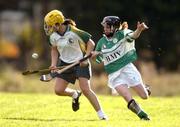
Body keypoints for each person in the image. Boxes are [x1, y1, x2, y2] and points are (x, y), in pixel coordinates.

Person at [43, 10, 107, 120]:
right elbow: (54, 49)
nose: (48, 28)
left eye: (50, 25)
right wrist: (53, 64)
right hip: (64, 63)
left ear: (58, 24)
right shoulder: (53, 36)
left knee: (86, 89)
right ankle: (75, 94)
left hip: (80, 63)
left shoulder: (74, 31)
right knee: (58, 90)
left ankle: (101, 115)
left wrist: (85, 58)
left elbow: (91, 43)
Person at [92, 16, 151, 120]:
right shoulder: (101, 42)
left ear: (114, 27)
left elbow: (133, 35)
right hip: (114, 75)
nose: (105, 28)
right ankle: (142, 115)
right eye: (104, 26)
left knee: (144, 96)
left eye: (107, 26)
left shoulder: (122, 34)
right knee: (127, 98)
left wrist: (139, 30)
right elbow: (98, 59)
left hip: (127, 69)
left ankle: (145, 88)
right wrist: (94, 56)